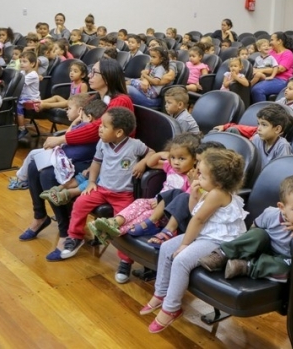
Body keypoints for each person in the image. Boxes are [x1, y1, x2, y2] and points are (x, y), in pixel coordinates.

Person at [19, 59, 135, 259]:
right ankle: (40, 217)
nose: (89, 75)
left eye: (94, 72)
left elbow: (95, 130)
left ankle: (67, 233)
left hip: (103, 159)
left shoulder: (120, 100)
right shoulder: (96, 97)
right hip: (91, 151)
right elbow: (80, 119)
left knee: (47, 173)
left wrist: (62, 138)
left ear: (106, 77)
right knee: (33, 164)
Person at [141, 148, 246, 333]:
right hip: (207, 232)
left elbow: (198, 221)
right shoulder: (210, 190)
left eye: (203, 175)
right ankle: (160, 293)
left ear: (219, 181)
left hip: (219, 239)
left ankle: (171, 308)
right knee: (166, 247)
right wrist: (195, 194)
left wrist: (184, 245)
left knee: (181, 260)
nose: (198, 177)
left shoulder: (217, 194)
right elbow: (193, 213)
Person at [89, 133, 201, 281]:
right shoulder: (170, 168)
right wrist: (162, 154)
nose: (176, 162)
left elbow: (185, 199)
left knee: (143, 216)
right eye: (173, 157)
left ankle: (111, 232)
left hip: (166, 214)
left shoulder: (191, 178)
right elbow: (151, 163)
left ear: (194, 160)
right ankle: (114, 222)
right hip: (154, 202)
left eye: (182, 158)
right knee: (138, 203)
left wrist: (192, 182)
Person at [56, 107, 154, 263]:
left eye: (104, 126)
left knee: (124, 223)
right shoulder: (102, 143)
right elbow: (96, 163)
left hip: (123, 195)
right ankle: (75, 237)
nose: (99, 128)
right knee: (80, 203)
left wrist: (142, 163)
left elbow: (152, 153)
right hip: (101, 189)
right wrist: (92, 182)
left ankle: (125, 260)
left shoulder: (135, 145)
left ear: (119, 132)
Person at [198, 175, 293, 281]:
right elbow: (254, 227)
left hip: (286, 258)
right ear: (282, 207)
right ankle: (223, 254)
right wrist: (251, 245)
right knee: (259, 234)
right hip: (267, 247)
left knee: (288, 269)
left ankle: (245, 266)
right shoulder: (271, 214)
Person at [8, 93, 95, 190]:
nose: (66, 111)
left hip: (67, 158)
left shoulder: (83, 126)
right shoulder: (80, 123)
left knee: (33, 154)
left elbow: (67, 137)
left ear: (80, 110)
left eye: (69, 109)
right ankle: (23, 179)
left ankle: (21, 180)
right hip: (64, 154)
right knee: (34, 157)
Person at [250, 32, 293, 103]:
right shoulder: (271, 52)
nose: (270, 42)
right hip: (267, 77)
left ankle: (263, 112)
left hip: (281, 80)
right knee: (245, 86)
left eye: (272, 40)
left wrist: (261, 70)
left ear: (279, 41)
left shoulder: (288, 53)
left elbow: (280, 69)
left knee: (257, 90)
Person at [251, 104, 292, 169]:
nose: (258, 128)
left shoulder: (282, 146)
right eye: (258, 124)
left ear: (277, 129)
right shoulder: (256, 139)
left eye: (264, 125)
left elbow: (281, 170)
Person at [16, 51, 41, 140]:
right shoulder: (23, 72)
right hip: (24, 97)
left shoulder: (33, 75)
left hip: (32, 99)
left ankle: (22, 128)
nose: (21, 64)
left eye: (24, 61)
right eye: (20, 61)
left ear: (32, 63)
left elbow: (18, 82)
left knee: (18, 105)